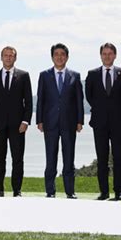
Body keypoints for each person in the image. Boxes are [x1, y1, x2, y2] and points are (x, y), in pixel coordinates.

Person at [36, 43, 84, 199]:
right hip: (49, 123)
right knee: (51, 158)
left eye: (62, 54)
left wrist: (80, 121)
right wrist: (39, 120)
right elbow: (40, 99)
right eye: (56, 54)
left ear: (67, 57)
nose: (59, 56)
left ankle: (70, 191)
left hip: (69, 123)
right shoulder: (44, 75)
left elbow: (79, 100)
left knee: (69, 158)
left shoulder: (75, 76)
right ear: (52, 57)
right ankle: (50, 191)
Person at [85, 43, 121, 201]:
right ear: (100, 55)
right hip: (99, 122)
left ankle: (119, 191)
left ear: (115, 55)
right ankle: (104, 191)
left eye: (110, 53)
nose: (107, 56)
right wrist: (102, 110)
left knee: (119, 157)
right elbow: (89, 96)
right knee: (102, 157)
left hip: (118, 121)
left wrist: (115, 110)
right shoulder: (92, 74)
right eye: (104, 53)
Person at [0, 46, 32, 197]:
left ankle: (17, 190)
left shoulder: (24, 76)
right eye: (5, 55)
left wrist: (26, 121)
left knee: (18, 159)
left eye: (11, 56)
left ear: (15, 58)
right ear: (1, 57)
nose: (8, 58)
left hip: (18, 126)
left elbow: (29, 101)